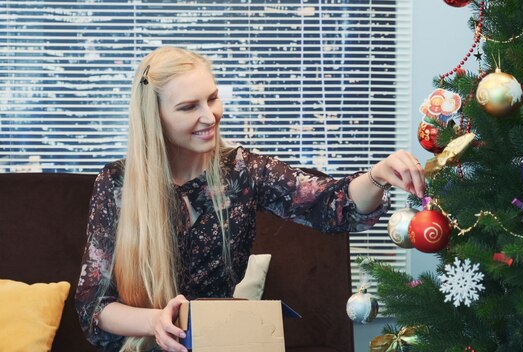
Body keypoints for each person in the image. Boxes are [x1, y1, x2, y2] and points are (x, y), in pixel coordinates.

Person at [75, 46, 425, 352]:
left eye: (212, 98)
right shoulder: (117, 183)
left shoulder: (243, 171)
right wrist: (157, 322)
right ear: (157, 118)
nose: (209, 116)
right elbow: (95, 305)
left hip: (223, 344)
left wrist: (378, 175)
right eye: (188, 107)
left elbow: (333, 206)